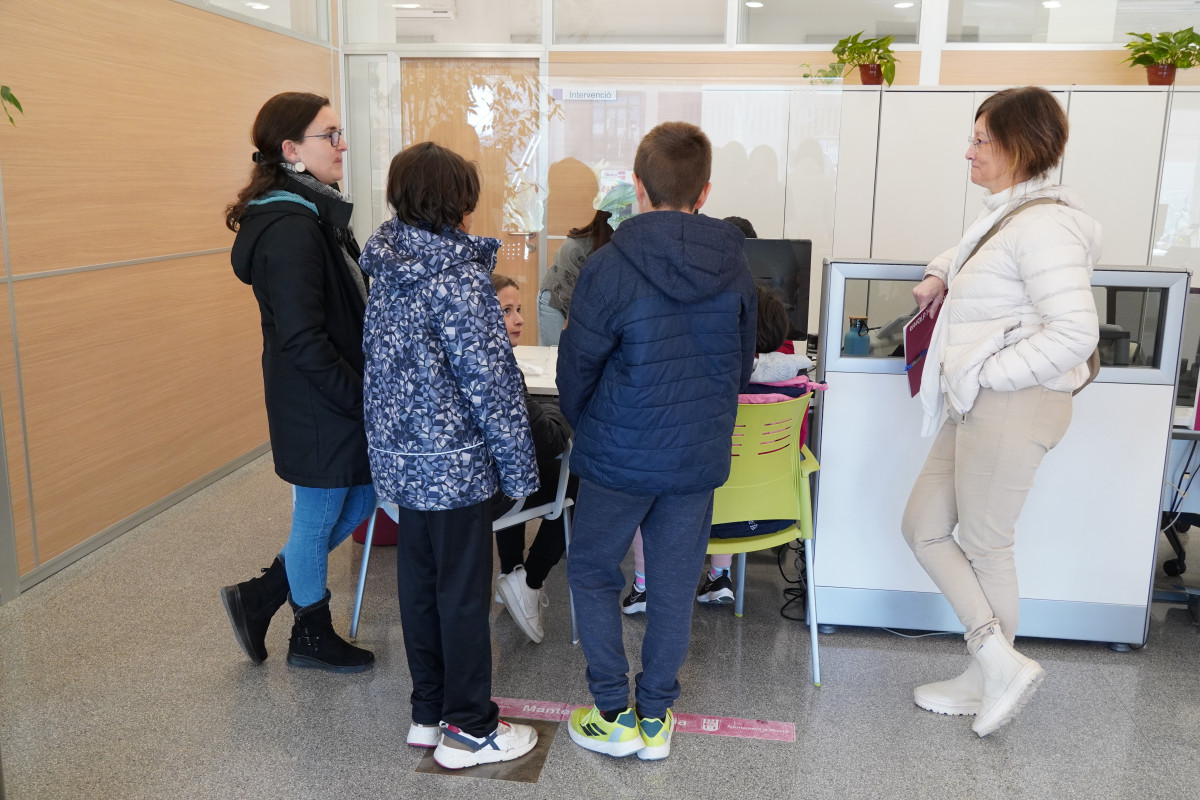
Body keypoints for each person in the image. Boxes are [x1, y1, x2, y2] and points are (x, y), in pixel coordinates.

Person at [900, 86, 1101, 738]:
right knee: (923, 525)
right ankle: (993, 663)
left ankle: (996, 673)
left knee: (986, 546)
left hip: (1010, 401)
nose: (969, 152)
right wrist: (937, 275)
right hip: (978, 402)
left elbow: (1075, 332)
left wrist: (988, 374)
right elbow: (970, 258)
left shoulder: (1046, 224)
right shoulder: (1012, 216)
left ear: (1020, 145)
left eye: (981, 140)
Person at [557, 121, 757, 761]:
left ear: (637, 187)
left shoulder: (608, 266)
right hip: (695, 458)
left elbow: (576, 368)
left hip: (617, 455)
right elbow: (742, 362)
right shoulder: (736, 268)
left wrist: (591, 429)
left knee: (592, 571)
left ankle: (611, 711)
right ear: (704, 191)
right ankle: (655, 721)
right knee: (674, 584)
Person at [358, 141, 540, 769]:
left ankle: (428, 712)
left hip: (404, 464)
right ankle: (469, 728)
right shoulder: (458, 277)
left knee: (420, 588)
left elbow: (379, 371)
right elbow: (492, 384)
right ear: (456, 200)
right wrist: (518, 468)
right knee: (463, 594)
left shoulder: (384, 266)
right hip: (456, 465)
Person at [220, 92, 376, 675]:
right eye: (329, 135)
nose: (341, 145)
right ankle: (310, 632)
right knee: (316, 514)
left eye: (339, 133)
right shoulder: (290, 228)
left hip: (330, 393)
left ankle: (261, 595)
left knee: (363, 495)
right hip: (317, 401)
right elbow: (302, 339)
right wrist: (360, 399)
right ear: (290, 150)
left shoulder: (313, 214)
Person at [622, 284, 811, 609]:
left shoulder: (711, 380)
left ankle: (644, 585)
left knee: (648, 482)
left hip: (697, 515)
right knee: (739, 471)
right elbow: (799, 443)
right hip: (769, 514)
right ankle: (720, 577)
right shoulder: (798, 385)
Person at [490, 272, 575, 644]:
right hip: (494, 496)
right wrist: (558, 411)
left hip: (446, 494)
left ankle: (511, 573)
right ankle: (530, 579)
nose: (520, 319)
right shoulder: (502, 370)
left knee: (519, 465)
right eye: (507, 311)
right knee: (578, 477)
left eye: (519, 309)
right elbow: (551, 441)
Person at [537, 183, 637, 345]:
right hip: (558, 301)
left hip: (593, 310)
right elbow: (568, 300)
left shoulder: (632, 244)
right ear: (607, 216)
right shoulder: (576, 247)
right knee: (560, 355)